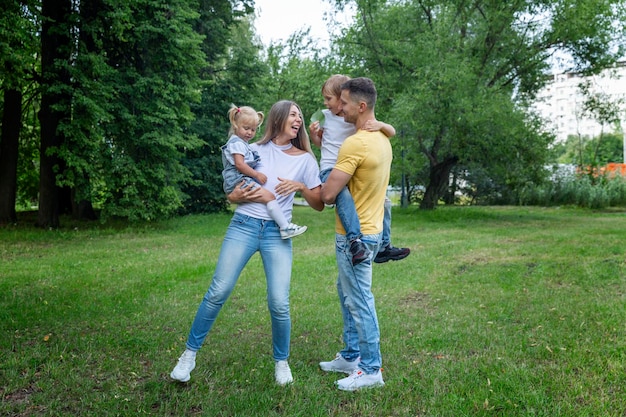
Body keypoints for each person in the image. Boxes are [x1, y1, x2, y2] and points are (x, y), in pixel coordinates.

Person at [170, 100, 324, 386]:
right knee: (218, 291)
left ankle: (281, 362)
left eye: (300, 116)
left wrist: (301, 187)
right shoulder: (253, 149)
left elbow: (319, 205)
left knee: (279, 301)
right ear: (277, 119)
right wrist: (233, 196)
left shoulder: (305, 159)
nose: (299, 119)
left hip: (278, 234)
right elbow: (232, 190)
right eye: (293, 114)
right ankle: (188, 356)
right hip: (244, 225)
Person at [319, 77, 391, 391]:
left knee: (360, 301)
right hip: (373, 231)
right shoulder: (382, 140)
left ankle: (371, 369)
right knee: (346, 293)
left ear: (361, 107)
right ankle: (350, 356)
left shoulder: (356, 143)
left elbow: (328, 194)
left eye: (345, 103)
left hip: (355, 236)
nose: (340, 108)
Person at [309, 75, 410, 265]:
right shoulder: (324, 116)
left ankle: (384, 246)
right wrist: (314, 136)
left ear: (343, 99)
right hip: (331, 168)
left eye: (329, 98)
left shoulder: (352, 117)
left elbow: (391, 132)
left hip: (351, 168)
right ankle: (355, 240)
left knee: (385, 202)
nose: (325, 103)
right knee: (343, 196)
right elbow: (323, 144)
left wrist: (381, 125)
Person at [222, 104, 307, 239]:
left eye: (253, 130)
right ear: (235, 124)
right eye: (246, 128)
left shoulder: (242, 144)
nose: (250, 133)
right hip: (240, 181)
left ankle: (285, 226)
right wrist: (256, 174)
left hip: (240, 180)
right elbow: (239, 164)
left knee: (268, 197)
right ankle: (285, 227)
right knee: (270, 197)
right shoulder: (238, 144)